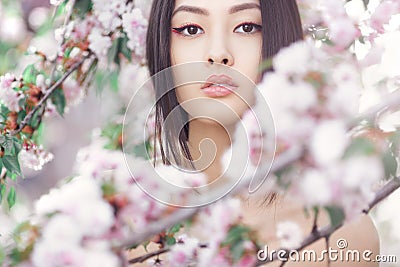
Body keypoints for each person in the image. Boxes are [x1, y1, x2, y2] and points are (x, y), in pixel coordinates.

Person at [129, 0, 380, 266]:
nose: (218, 53)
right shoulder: (128, 236)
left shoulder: (341, 236)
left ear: (281, 39)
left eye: (247, 27)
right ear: (162, 47)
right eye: (191, 29)